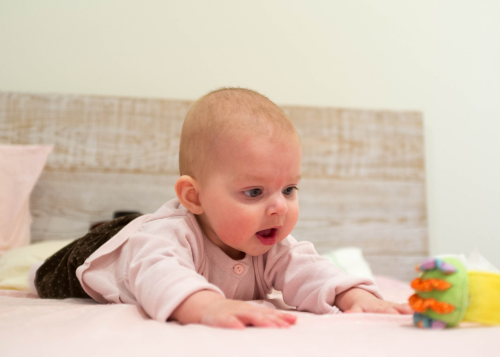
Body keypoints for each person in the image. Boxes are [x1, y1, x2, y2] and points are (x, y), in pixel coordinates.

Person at [35, 88, 411, 329]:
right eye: (254, 192)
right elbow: (159, 272)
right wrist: (207, 306)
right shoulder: (166, 238)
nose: (279, 206)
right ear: (194, 197)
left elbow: (310, 270)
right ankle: (112, 228)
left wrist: (354, 297)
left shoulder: (270, 243)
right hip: (93, 254)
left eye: (289, 189)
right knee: (55, 269)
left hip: (148, 232)